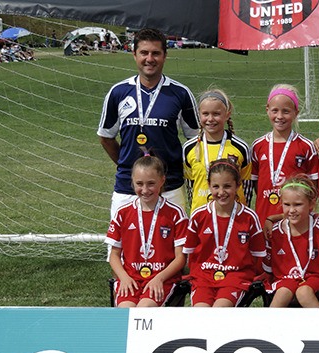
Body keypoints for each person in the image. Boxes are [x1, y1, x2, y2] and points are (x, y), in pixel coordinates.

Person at [98, 27, 199, 219]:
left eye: (155, 53)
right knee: (123, 246)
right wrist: (129, 166)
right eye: (144, 53)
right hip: (128, 187)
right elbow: (106, 137)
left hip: (169, 187)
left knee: (171, 247)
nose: (149, 59)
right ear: (134, 54)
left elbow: (196, 141)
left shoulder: (181, 94)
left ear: (165, 56)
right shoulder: (118, 93)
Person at [105, 154, 188, 307]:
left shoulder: (175, 214)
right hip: (130, 279)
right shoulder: (123, 213)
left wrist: (160, 278)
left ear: (162, 180)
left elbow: (180, 258)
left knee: (143, 310)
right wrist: (123, 277)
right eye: (139, 184)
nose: (145, 190)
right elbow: (114, 255)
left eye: (151, 184)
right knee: (125, 313)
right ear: (132, 183)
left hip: (162, 279)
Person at [183, 159, 266, 307]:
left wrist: (237, 269)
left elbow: (256, 256)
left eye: (227, 186)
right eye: (216, 186)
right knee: (200, 313)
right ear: (209, 186)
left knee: (220, 310)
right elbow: (191, 253)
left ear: (238, 185)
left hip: (235, 278)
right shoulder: (199, 215)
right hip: (204, 278)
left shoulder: (249, 217)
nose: (221, 192)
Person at [263, 175, 319, 308]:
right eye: (287, 204)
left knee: (303, 292)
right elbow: (268, 270)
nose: (292, 210)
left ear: (311, 204)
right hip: (285, 279)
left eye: (298, 204)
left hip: (315, 278)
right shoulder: (274, 233)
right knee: (283, 292)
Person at [251, 84, 317, 225]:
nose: (280, 116)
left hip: (296, 221)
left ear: (296, 112)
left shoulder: (306, 146)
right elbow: (256, 184)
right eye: (275, 110)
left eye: (286, 111)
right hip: (264, 218)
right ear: (267, 110)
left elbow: (313, 188)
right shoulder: (258, 146)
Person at [182, 89, 251, 214]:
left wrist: (244, 212)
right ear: (199, 114)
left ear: (227, 114)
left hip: (234, 216)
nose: (210, 119)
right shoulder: (189, 148)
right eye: (205, 114)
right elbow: (190, 187)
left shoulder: (240, 147)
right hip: (201, 217)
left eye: (216, 114)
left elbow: (246, 187)